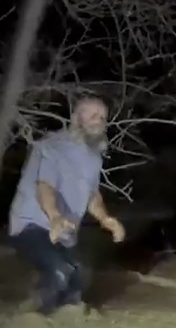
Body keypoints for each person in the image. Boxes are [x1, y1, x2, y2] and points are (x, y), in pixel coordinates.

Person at [7, 96, 126, 314]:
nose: (99, 121)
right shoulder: (52, 146)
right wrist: (54, 216)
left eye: (102, 117)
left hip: (65, 231)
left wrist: (105, 218)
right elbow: (45, 186)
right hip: (32, 225)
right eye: (92, 115)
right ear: (76, 118)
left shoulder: (94, 157)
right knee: (60, 272)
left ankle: (64, 320)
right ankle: (33, 319)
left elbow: (92, 195)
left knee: (80, 276)